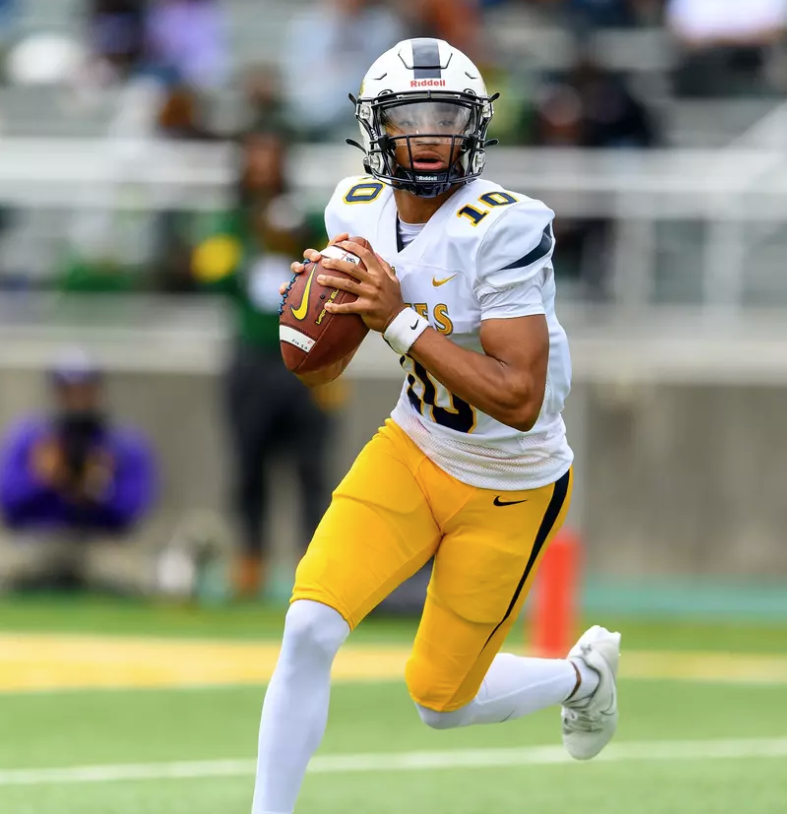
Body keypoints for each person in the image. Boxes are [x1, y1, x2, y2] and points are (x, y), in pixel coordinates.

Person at [251, 38, 620, 814]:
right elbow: (319, 371)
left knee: (440, 701)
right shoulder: (352, 208)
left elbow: (521, 397)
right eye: (409, 118)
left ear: (475, 128)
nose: (428, 136)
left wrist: (400, 323)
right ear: (375, 129)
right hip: (413, 447)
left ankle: (583, 677)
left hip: (509, 484)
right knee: (308, 627)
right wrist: (318, 320)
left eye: (445, 118)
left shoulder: (505, 227)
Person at [192, 128, 342, 600]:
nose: (262, 167)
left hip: (308, 365)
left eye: (271, 157)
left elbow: (337, 265)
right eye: (254, 158)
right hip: (253, 359)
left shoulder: (311, 219)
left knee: (312, 468)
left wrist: (296, 243)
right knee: (249, 465)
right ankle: (250, 565)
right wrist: (252, 244)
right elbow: (208, 271)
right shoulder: (231, 224)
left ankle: (313, 569)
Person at [0, 350, 158, 594]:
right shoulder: (30, 438)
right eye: (68, 391)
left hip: (100, 547)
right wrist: (41, 478)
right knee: (3, 569)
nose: (77, 399)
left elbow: (133, 513)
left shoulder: (120, 443)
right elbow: (5, 505)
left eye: (84, 389)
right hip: (41, 543)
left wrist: (99, 490)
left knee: (131, 574)